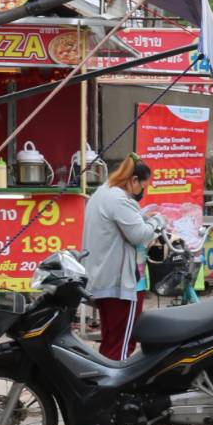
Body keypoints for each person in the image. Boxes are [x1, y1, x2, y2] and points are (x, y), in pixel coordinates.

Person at [83, 153, 155, 361]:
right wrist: (157, 222)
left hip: (103, 279)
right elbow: (139, 235)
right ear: (134, 180)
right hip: (122, 285)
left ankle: (102, 377)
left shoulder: (102, 193)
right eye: (143, 186)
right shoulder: (120, 199)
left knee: (110, 340)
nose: (143, 192)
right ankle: (115, 382)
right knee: (123, 343)